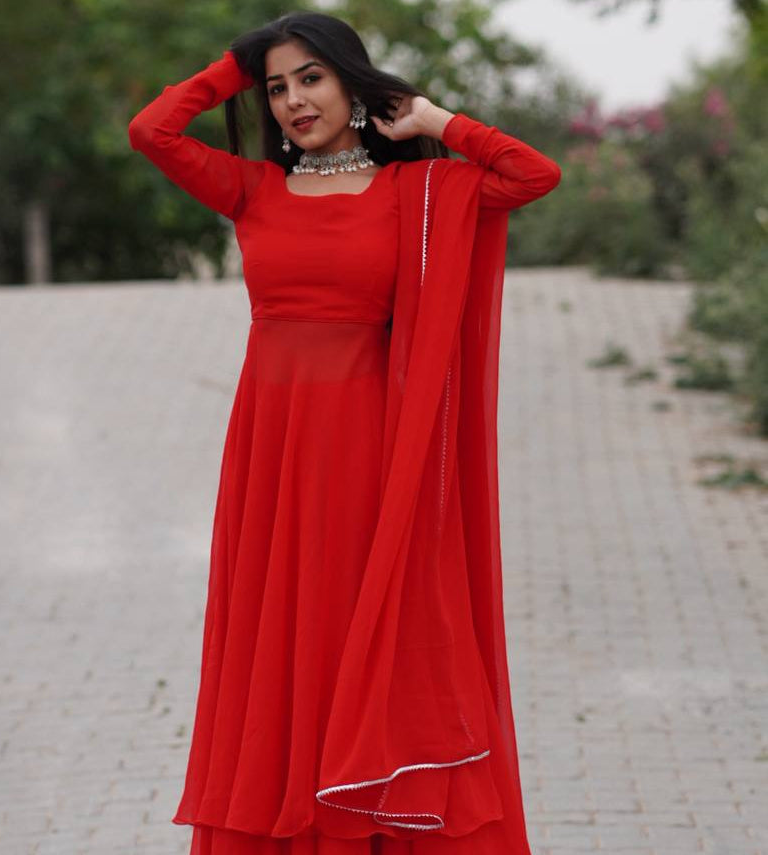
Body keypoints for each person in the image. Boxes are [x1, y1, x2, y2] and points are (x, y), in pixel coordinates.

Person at [128, 10, 561, 855]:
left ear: (352, 85)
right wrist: (235, 65)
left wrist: (435, 120)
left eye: (311, 78)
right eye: (276, 88)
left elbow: (530, 173)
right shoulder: (252, 189)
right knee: (281, 644)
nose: (293, 101)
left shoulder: (416, 194)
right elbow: (153, 131)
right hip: (271, 451)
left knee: (356, 630)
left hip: (368, 451)